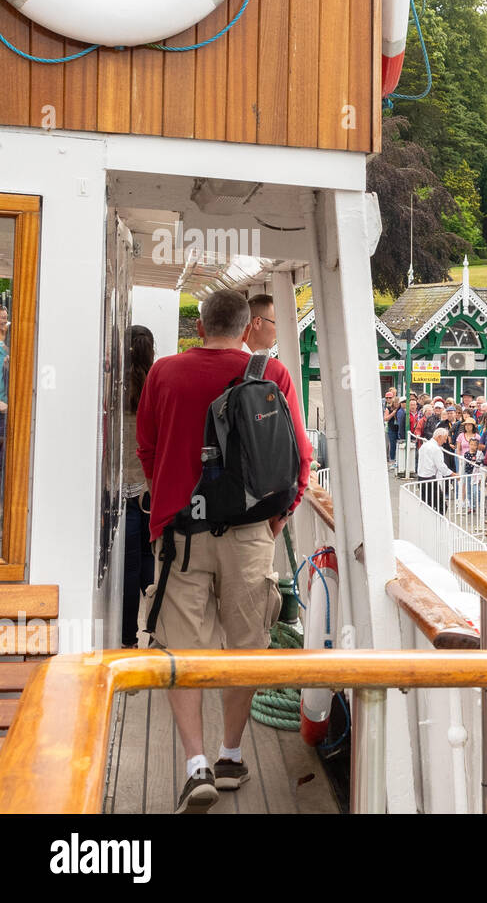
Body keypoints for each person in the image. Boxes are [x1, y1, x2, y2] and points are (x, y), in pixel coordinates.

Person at [136, 290, 312, 812]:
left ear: (198, 325)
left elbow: (148, 448)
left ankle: (195, 766)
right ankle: (231, 754)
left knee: (179, 649)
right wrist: (279, 518)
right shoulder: (272, 374)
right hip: (251, 535)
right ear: (245, 328)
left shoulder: (163, 374)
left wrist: (169, 498)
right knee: (247, 646)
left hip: (181, 537)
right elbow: (300, 458)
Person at [121, 325, 155, 648]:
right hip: (149, 492)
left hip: (121, 491)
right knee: (150, 561)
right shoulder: (154, 388)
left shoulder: (115, 388)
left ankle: (127, 639)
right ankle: (155, 629)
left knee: (129, 568)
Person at [418, 427, 454, 510]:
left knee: (427, 505)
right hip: (430, 480)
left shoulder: (425, 445)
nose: (445, 441)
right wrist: (453, 474)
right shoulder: (436, 449)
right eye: (444, 439)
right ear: (439, 437)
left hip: (421, 478)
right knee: (441, 506)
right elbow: (441, 466)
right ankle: (437, 522)